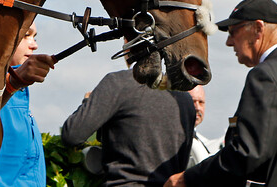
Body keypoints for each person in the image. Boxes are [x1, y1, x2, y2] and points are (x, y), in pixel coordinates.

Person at [166, 0, 277, 186]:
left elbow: (247, 153)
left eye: (233, 31)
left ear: (258, 28)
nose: (229, 42)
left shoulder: (266, 74)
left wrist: (186, 178)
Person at [61, 66, 195, 186]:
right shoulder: (184, 98)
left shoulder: (118, 83)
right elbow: (182, 163)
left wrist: (88, 102)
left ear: (127, 43)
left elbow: (72, 134)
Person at [0, 22, 56, 186]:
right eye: (26, 35)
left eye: (34, 37)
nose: (34, 45)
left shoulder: (20, 97)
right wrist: (12, 83)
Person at [186, 85, 222, 167]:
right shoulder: (173, 139)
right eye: (193, 101)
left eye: (201, 102)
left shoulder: (201, 143)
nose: (198, 107)